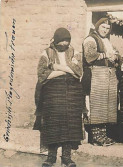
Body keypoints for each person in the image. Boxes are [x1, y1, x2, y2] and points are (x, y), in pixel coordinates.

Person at [33, 28, 85, 167]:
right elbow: (43, 75)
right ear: (56, 40)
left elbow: (78, 72)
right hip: (52, 95)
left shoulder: (74, 52)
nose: (64, 43)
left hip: (72, 93)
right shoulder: (47, 53)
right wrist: (67, 69)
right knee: (53, 124)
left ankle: (66, 157)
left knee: (70, 124)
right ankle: (51, 157)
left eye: (67, 41)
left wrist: (56, 67)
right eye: (61, 41)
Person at [81, 18, 120, 146]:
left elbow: (115, 54)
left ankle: (103, 135)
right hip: (95, 75)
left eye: (108, 28)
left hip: (107, 76)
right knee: (97, 105)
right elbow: (89, 56)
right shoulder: (91, 39)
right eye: (103, 27)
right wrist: (107, 55)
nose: (105, 30)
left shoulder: (107, 41)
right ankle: (96, 136)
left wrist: (116, 56)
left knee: (106, 105)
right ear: (97, 27)